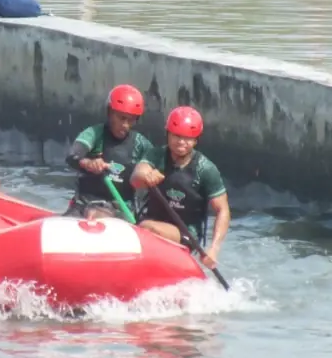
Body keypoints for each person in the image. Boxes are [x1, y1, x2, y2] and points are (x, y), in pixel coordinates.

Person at [130, 106, 231, 269]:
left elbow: (223, 210)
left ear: (196, 140)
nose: (181, 142)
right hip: (151, 221)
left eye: (188, 138)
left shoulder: (206, 170)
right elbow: (136, 178)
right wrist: (146, 176)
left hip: (185, 233)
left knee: (146, 227)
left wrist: (214, 249)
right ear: (168, 134)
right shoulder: (156, 155)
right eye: (176, 135)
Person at [63, 84, 154, 220]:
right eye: (121, 118)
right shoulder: (94, 133)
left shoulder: (141, 144)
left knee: (96, 215)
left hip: (120, 209)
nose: (125, 125)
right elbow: (72, 156)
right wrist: (88, 163)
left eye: (131, 120)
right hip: (84, 204)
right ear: (110, 113)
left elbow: (160, 163)